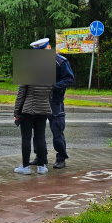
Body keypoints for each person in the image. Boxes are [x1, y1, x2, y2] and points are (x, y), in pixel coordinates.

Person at [28, 37, 75, 169]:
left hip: (55, 101)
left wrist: (52, 86)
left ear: (49, 48)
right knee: (37, 130)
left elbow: (70, 79)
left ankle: (61, 157)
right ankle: (40, 156)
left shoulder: (60, 61)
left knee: (57, 129)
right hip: (39, 99)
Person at [13, 39, 54, 175]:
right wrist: (46, 105)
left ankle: (25, 167)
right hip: (43, 109)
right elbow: (50, 92)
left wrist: (16, 111)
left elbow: (21, 94)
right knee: (40, 137)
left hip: (28, 109)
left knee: (26, 138)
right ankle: (41, 167)